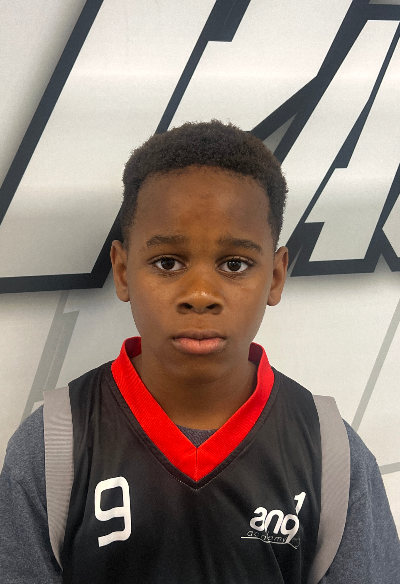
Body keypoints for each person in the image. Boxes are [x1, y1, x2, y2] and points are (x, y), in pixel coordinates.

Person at [0, 120, 399, 583]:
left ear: (275, 277)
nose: (201, 294)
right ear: (123, 271)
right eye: (168, 262)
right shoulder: (54, 446)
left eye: (235, 264)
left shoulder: (332, 456)